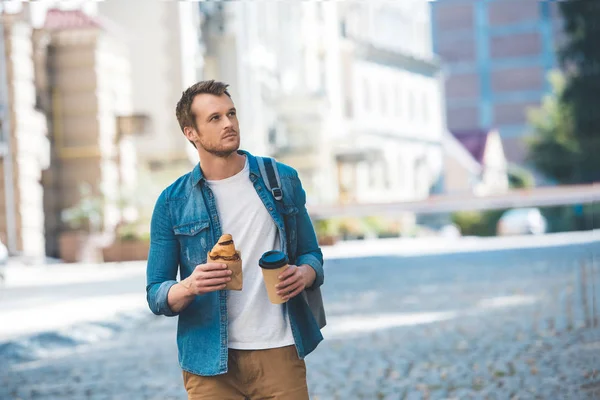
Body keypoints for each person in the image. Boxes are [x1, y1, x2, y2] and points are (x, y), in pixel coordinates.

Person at [146, 80, 324, 400]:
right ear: (191, 133)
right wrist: (189, 286)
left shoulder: (281, 179)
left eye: (231, 113)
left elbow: (311, 254)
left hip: (279, 351)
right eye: (214, 118)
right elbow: (156, 293)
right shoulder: (172, 202)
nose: (228, 123)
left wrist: (304, 274)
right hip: (209, 365)